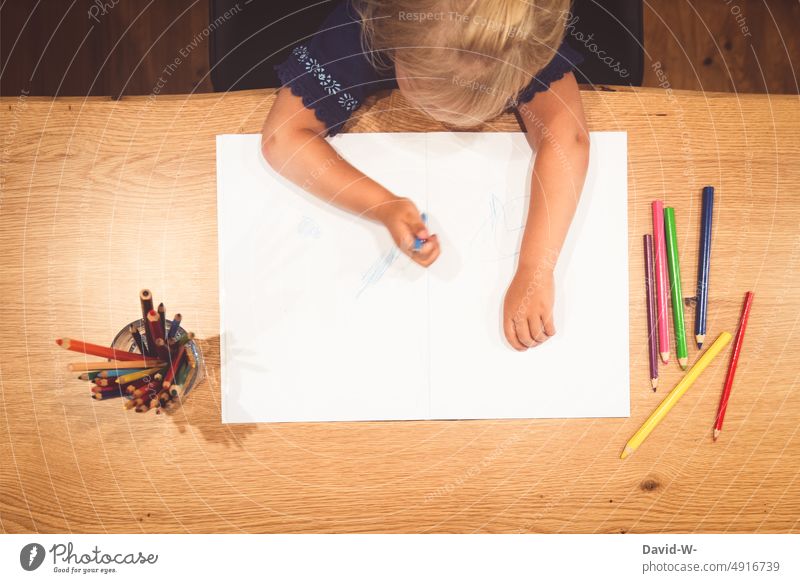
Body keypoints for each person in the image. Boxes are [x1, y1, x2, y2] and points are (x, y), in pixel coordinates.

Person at [262, 0, 589, 351]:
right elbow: (283, 139)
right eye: (430, 104)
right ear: (393, 44)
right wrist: (381, 205)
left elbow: (567, 139)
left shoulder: (515, 35)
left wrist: (535, 269)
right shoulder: (362, 27)